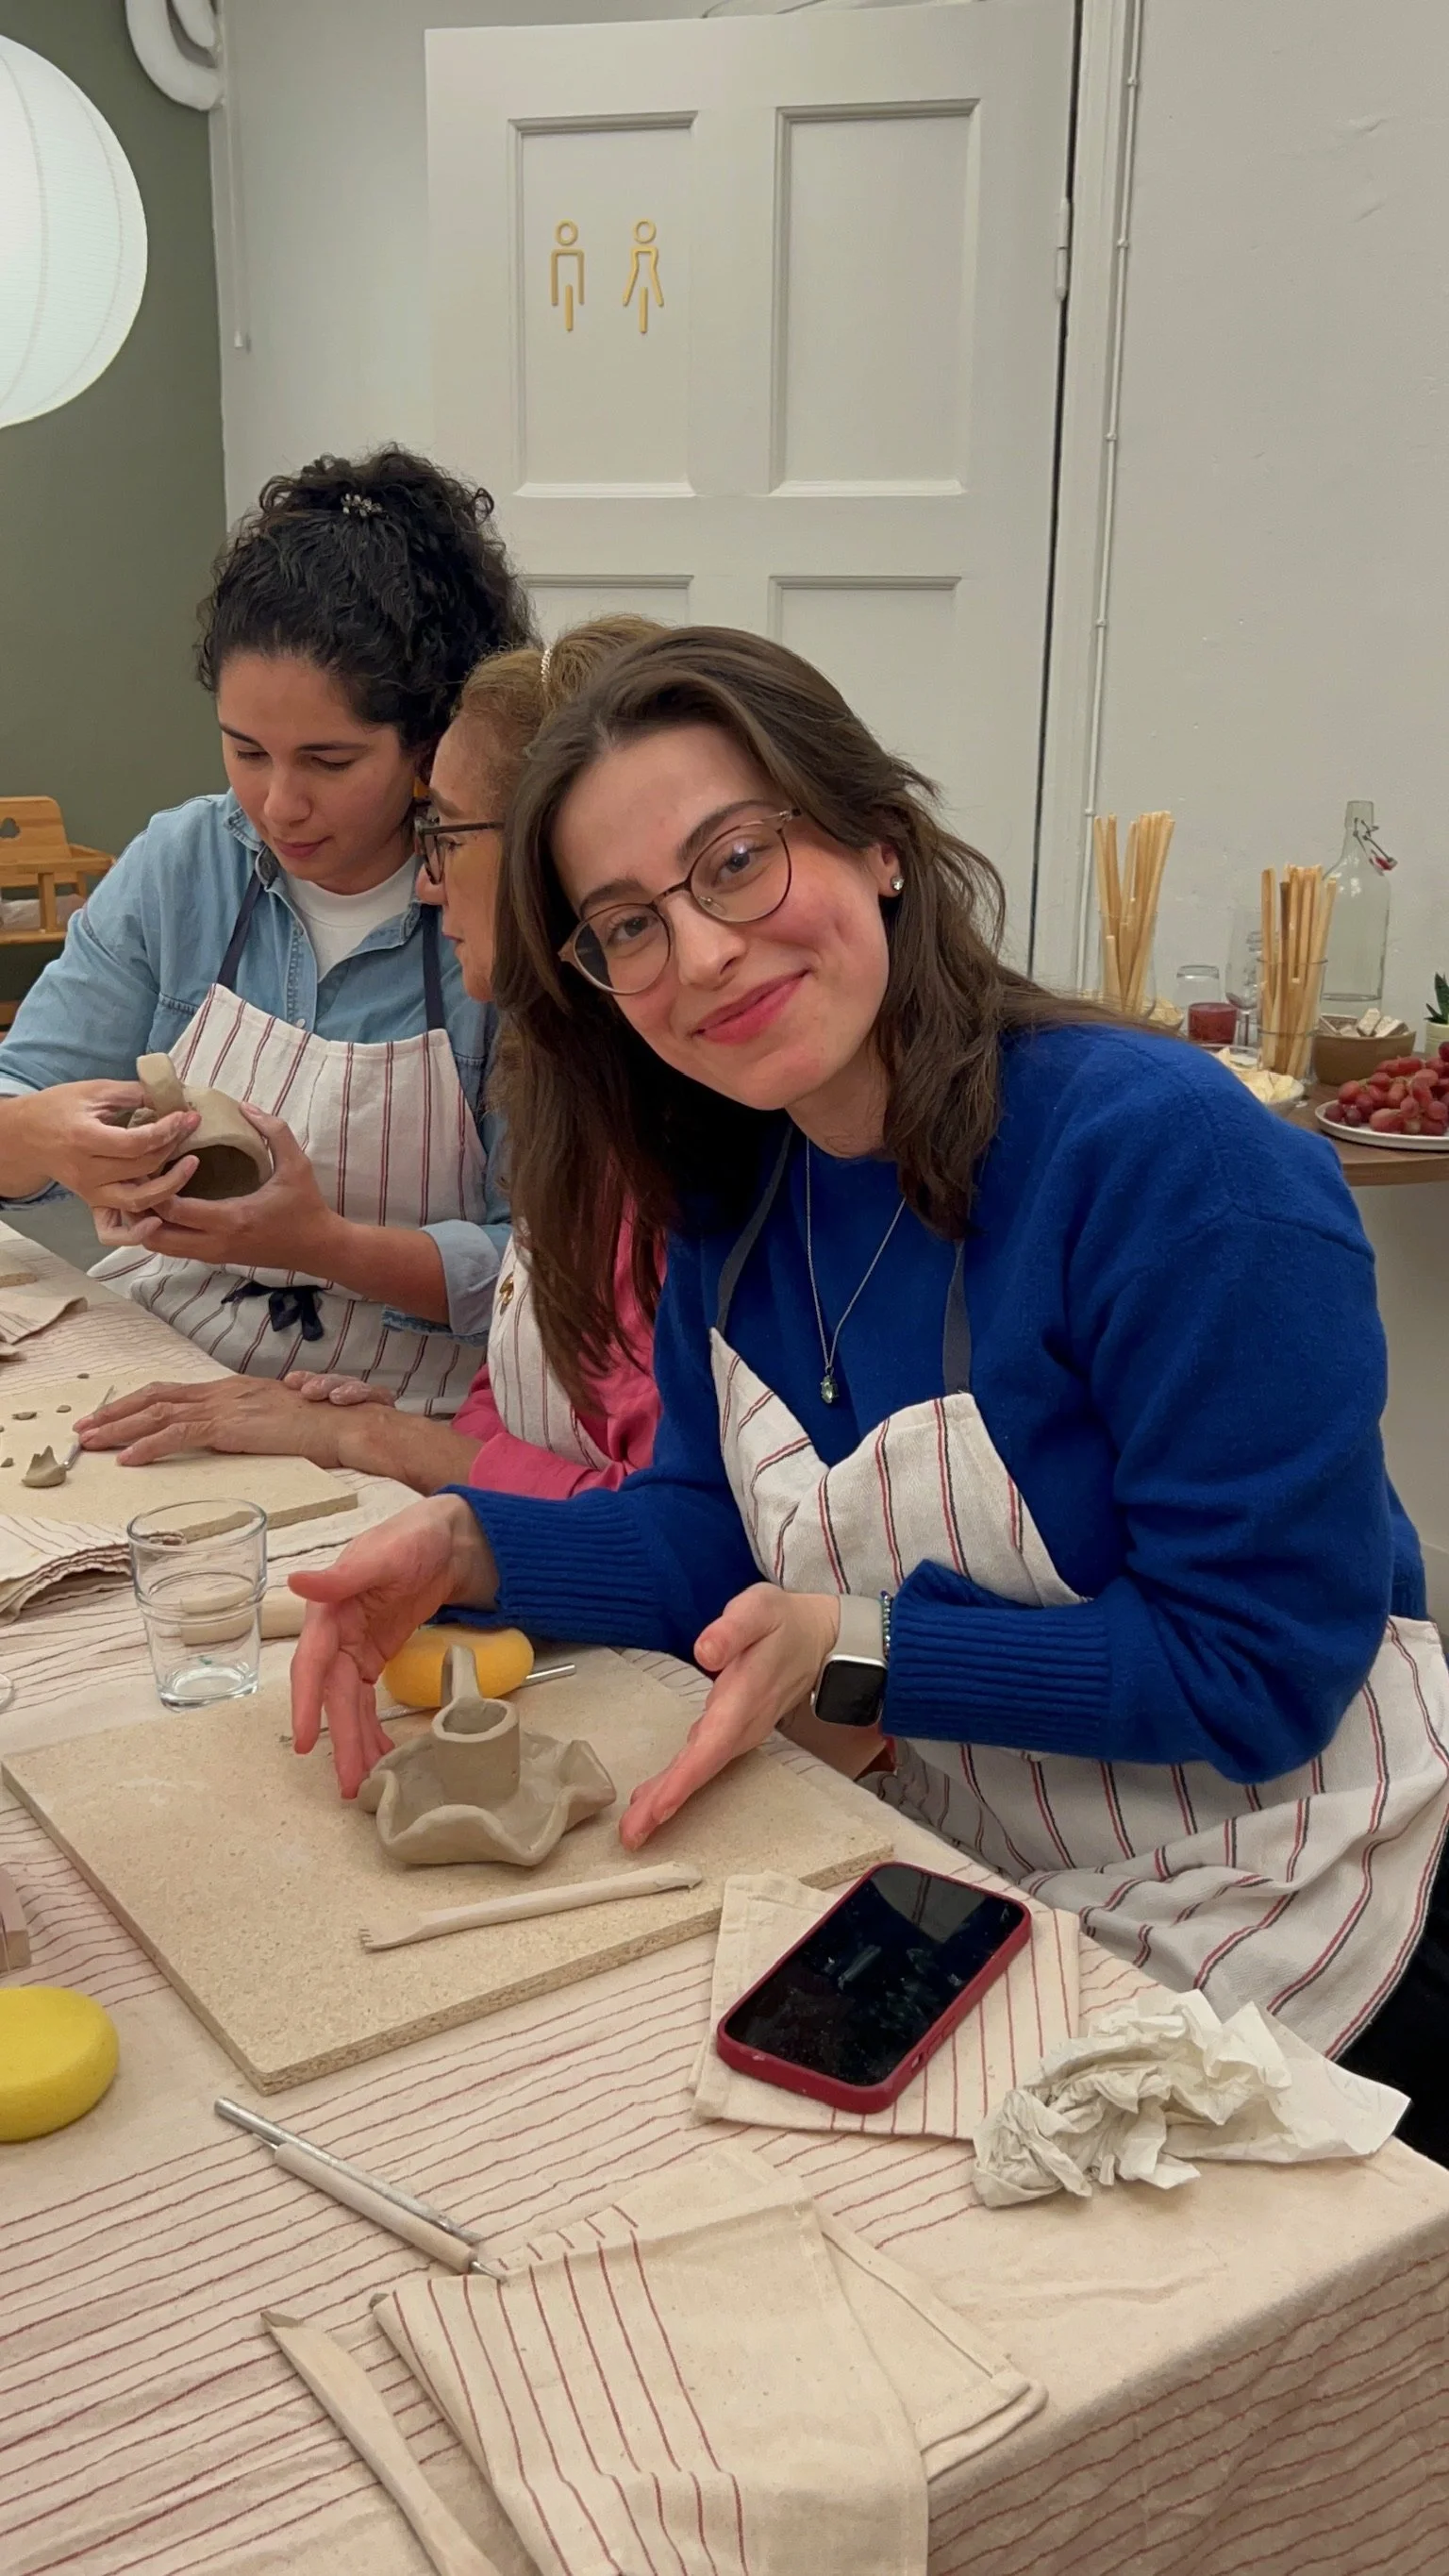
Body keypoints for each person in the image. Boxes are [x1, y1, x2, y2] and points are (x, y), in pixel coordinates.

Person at [288, 627, 1449, 2155]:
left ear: (878, 843)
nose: (699, 953)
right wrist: (470, 1546)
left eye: (737, 862)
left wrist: (865, 1658)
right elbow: (713, 1537)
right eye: (627, 926)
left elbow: (1259, 1669)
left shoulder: (1171, 1166)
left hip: (1305, 1905)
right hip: (990, 1881)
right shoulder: (740, 1188)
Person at [76, 620, 662, 1493]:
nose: (425, 881)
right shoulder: (577, 1093)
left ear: (553, 858)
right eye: (246, 751)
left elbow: (672, 1528)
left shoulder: (670, 1165)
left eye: (447, 835)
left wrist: (372, 1437)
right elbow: (517, 1385)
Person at [0, 448, 530, 1410]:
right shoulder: (184, 866)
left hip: (401, 1406)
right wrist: (43, 1136)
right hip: (161, 1354)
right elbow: (17, 1100)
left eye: (329, 761)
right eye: (245, 751)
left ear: (428, 740)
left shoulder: (497, 914)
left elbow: (547, 1280)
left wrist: (322, 1247)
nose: (279, 805)